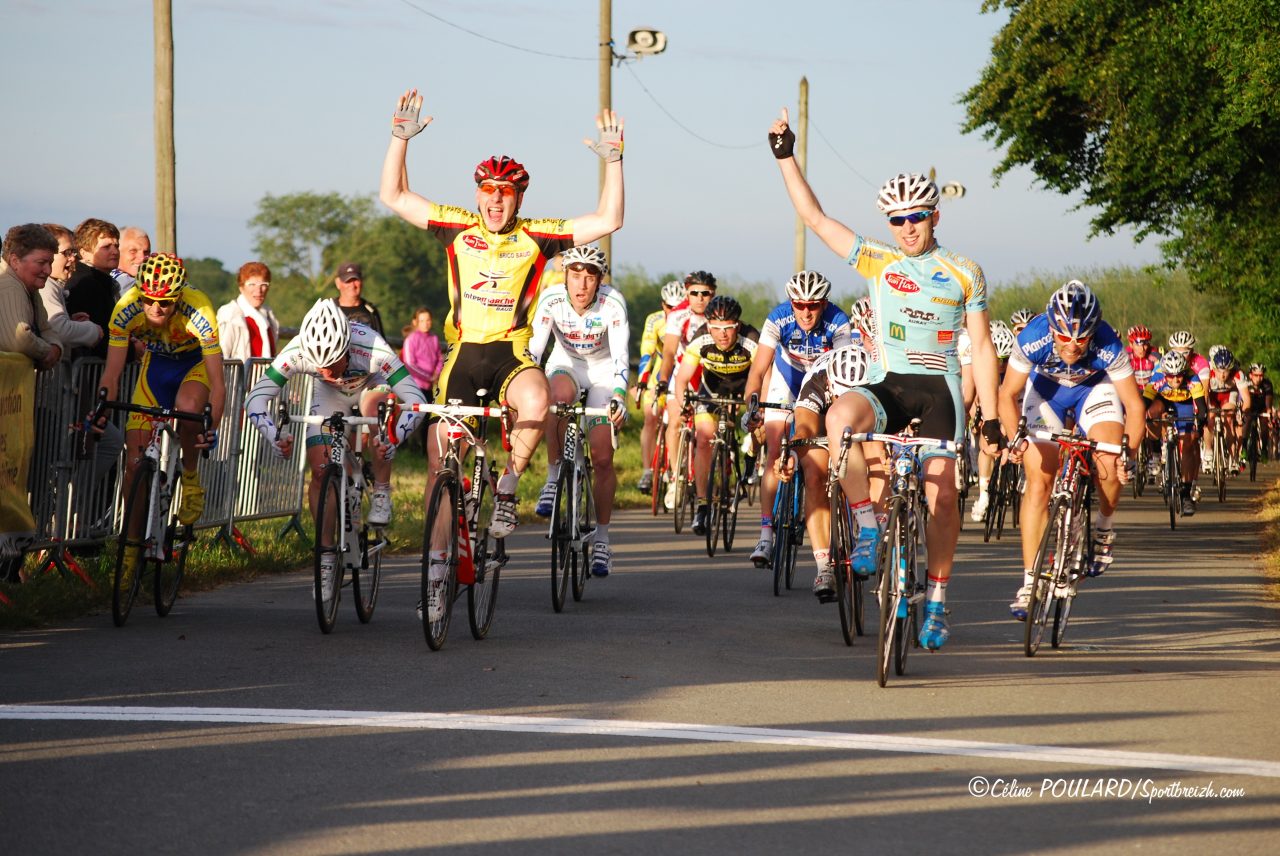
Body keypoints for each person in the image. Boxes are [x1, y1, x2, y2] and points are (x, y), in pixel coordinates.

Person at [767, 107, 1002, 650]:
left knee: (943, 496)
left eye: (916, 216)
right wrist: (785, 157)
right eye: (897, 220)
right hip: (890, 384)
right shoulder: (878, 261)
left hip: (940, 391)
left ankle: (938, 600)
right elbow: (817, 219)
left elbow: (983, 348)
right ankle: (868, 526)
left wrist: (988, 418)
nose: (907, 228)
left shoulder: (965, 271)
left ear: (934, 216)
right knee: (839, 417)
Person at [378, 87, 624, 546]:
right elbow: (393, 195)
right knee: (439, 463)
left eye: (506, 194)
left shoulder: (537, 235)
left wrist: (613, 162)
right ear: (477, 194)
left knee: (538, 401)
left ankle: (508, 487)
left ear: (519, 199)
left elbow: (609, 218)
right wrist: (400, 138)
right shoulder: (456, 227)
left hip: (511, 354)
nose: (496, 201)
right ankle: (436, 569)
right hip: (463, 354)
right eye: (488, 192)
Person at [244, 300, 424, 597]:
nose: (326, 370)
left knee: (374, 411)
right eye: (319, 365)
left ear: (347, 348)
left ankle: (381, 489)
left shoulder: (372, 346)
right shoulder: (299, 350)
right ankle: (326, 557)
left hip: (371, 384)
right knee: (319, 471)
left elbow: (415, 399)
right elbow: (255, 400)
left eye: (332, 363)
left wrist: (394, 439)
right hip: (329, 398)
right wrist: (274, 435)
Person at [998, 281, 1146, 619]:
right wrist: (1014, 438)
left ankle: (1105, 529)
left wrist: (1131, 455)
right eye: (1063, 337)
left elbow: (1135, 407)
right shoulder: (1032, 337)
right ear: (1051, 328)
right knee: (1038, 482)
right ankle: (1029, 581)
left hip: (1093, 390)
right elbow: (1007, 395)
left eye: (1081, 338)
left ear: (1093, 331)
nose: (1072, 345)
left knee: (1108, 461)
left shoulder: (1108, 344)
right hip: (1047, 391)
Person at [94, 254, 224, 545]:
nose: (155, 307)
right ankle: (130, 544)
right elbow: (112, 374)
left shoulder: (199, 308)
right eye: (148, 300)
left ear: (177, 299)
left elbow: (218, 384)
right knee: (134, 462)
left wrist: (210, 426)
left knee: (189, 409)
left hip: (194, 365)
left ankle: (190, 478)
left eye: (164, 302)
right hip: (157, 368)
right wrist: (101, 409)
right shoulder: (125, 308)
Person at [529, 245, 629, 577]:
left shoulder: (612, 303)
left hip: (602, 373)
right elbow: (534, 350)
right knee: (554, 396)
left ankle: (601, 539)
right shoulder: (551, 298)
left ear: (600, 280)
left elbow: (620, 357)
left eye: (590, 277)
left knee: (602, 458)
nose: (582, 285)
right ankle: (554, 474)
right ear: (565, 275)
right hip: (566, 364)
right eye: (575, 275)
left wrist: (619, 395)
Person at [743, 270, 852, 568]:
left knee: (816, 455)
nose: (806, 311)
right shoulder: (778, 317)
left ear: (824, 303)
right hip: (787, 380)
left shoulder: (839, 321)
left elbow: (843, 374)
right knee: (775, 451)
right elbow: (758, 369)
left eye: (813, 305)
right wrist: (753, 404)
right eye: (799, 304)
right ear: (791, 303)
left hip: (822, 383)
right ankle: (766, 533)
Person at [671, 296, 757, 536]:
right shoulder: (700, 339)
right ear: (708, 326)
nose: (722, 334)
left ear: (737, 325)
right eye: (716, 328)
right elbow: (682, 379)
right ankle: (702, 506)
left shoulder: (751, 339)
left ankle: (749, 464)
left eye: (728, 327)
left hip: (744, 388)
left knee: (757, 424)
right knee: (703, 440)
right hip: (710, 390)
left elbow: (763, 376)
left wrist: (754, 407)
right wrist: (682, 403)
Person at [658, 271, 717, 507]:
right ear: (687, 293)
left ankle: (721, 464)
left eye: (706, 293)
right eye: (695, 293)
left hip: (710, 376)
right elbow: (670, 352)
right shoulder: (678, 315)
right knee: (674, 420)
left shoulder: (718, 315)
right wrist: (663, 380)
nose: (700, 298)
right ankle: (675, 477)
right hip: (683, 373)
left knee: (711, 431)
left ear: (713, 294)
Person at [633, 280, 686, 492]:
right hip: (660, 374)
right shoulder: (654, 320)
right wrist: (641, 381)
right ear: (662, 304)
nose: (673, 311)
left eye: (677, 306)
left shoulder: (691, 319)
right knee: (650, 417)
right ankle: (647, 471)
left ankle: (682, 463)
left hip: (683, 373)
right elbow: (647, 351)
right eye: (668, 307)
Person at [1143, 349, 1208, 516]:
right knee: (1151, 412)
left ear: (1184, 371)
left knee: (1187, 443)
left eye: (1179, 375)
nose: (1176, 379)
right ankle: (1159, 448)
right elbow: (1144, 403)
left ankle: (1186, 495)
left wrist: (1200, 422)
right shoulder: (1157, 379)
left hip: (1184, 404)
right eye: (1170, 376)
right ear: (1165, 374)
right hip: (1164, 401)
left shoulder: (1193, 379)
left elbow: (1202, 408)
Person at [969, 321, 1015, 522]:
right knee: (987, 445)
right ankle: (984, 494)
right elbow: (977, 401)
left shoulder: (1018, 372)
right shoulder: (986, 370)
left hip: (1011, 408)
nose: (1003, 364)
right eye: (999, 359)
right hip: (989, 408)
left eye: (1007, 359)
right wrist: (976, 423)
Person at [0, 224, 62, 370]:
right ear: (15, 261)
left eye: (50, 263)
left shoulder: (30, 288)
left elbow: (46, 329)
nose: (48, 270)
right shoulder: (10, 286)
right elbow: (18, 339)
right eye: (41, 263)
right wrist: (49, 351)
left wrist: (56, 348)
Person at [39, 224, 102, 354]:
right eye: (66, 253)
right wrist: (93, 331)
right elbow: (58, 330)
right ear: (47, 254)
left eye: (73, 252)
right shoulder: (46, 286)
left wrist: (71, 321)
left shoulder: (51, 285)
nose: (73, 258)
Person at [63, 218, 121, 360]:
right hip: (90, 374)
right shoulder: (86, 285)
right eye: (106, 247)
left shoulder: (100, 282)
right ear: (84, 252)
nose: (115, 251)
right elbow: (102, 339)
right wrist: (131, 351)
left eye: (116, 246)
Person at [216, 261, 279, 361]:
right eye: (252, 284)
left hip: (265, 376)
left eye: (263, 284)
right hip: (238, 376)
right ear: (241, 287)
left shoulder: (269, 317)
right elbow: (222, 355)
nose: (258, 290)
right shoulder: (230, 314)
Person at [1204, 347, 1251, 473]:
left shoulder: (1238, 374)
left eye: (1226, 371)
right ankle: (1208, 451)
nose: (1223, 375)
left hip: (1229, 395)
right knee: (1209, 419)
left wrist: (1243, 412)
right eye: (1219, 371)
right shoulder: (1207, 372)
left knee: (1228, 420)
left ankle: (1233, 457)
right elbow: (1204, 394)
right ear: (1214, 368)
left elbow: (1246, 398)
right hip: (1212, 396)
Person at [331, 262, 384, 335]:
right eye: (348, 281)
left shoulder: (371, 311)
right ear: (338, 283)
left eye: (355, 280)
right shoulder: (329, 311)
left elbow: (381, 342)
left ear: (362, 281)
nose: (352, 285)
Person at [401, 306, 443, 396]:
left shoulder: (434, 338)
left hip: (429, 386)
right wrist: (428, 377)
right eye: (422, 321)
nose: (426, 324)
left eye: (428, 320)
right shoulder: (411, 339)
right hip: (416, 386)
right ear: (415, 322)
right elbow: (409, 364)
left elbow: (440, 358)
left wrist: (436, 374)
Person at [112, 227, 151, 294]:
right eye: (133, 251)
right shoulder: (122, 282)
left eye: (146, 252)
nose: (142, 257)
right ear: (117, 252)